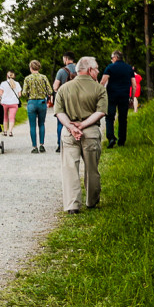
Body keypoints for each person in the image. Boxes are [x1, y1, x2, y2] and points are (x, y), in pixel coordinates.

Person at [54, 57, 108, 213]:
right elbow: (101, 112)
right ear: (90, 70)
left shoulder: (64, 88)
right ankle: (91, 201)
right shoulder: (99, 89)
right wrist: (83, 125)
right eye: (97, 68)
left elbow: (59, 112)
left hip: (69, 133)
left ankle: (72, 205)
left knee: (69, 167)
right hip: (90, 132)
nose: (98, 71)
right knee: (92, 168)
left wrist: (71, 127)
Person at [99, 50, 135, 148]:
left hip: (111, 96)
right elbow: (134, 84)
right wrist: (132, 98)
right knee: (123, 118)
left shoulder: (110, 67)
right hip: (124, 96)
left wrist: (99, 95)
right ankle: (122, 140)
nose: (111, 60)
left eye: (112, 58)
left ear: (115, 57)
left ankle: (111, 138)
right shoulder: (129, 68)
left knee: (110, 117)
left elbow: (103, 82)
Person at [22, 60, 52, 153]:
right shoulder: (43, 77)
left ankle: (34, 147)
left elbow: (24, 93)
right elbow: (50, 91)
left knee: (32, 125)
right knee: (41, 124)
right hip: (42, 102)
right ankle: (42, 145)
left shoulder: (27, 78)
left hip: (31, 102)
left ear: (30, 68)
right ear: (39, 68)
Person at [52, 51, 77, 153]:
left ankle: (60, 144)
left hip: (64, 100)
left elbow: (55, 86)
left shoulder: (61, 71)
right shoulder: (79, 70)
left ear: (66, 59)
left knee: (61, 123)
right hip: (77, 99)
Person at [0, 70, 22, 137]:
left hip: (4, 102)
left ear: (7, 76)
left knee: (5, 117)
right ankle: (10, 131)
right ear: (14, 76)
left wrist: (3, 97)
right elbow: (19, 94)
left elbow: (1, 93)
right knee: (12, 117)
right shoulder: (17, 84)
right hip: (14, 103)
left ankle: (5, 131)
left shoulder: (3, 83)